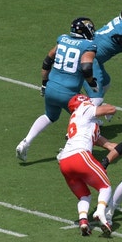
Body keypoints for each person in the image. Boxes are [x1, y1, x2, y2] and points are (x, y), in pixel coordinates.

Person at [16, 17, 100, 162]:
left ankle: (26, 142)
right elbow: (86, 68)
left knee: (49, 116)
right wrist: (92, 83)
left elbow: (47, 61)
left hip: (51, 87)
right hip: (69, 92)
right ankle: (67, 150)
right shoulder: (88, 45)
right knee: (87, 119)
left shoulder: (63, 39)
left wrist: (44, 83)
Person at [57, 94, 116, 236]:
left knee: (84, 195)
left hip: (64, 161)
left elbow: (99, 140)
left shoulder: (78, 119)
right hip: (80, 156)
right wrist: (107, 111)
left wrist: (113, 146)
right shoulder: (84, 108)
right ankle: (100, 213)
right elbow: (111, 109)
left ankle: (83, 220)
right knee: (105, 186)